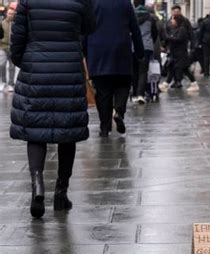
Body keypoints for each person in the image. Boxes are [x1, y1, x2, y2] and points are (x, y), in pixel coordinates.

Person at [10, 0, 96, 219]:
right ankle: (61, 192)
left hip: (36, 68)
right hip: (68, 68)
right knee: (68, 133)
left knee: (35, 132)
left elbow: (17, 38)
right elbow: (90, 27)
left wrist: (27, 62)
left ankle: (38, 184)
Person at [85, 0, 144, 137]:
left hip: (98, 51)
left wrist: (83, 48)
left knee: (102, 92)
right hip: (121, 50)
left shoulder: (92, 3)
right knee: (123, 84)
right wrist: (140, 52)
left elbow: (85, 27)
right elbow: (134, 28)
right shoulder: (125, 3)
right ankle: (118, 111)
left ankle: (104, 127)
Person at [160, 15, 199, 93]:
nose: (171, 21)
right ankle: (165, 84)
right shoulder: (176, 29)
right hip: (175, 54)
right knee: (171, 68)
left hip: (181, 54)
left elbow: (178, 39)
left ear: (177, 21)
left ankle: (194, 84)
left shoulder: (182, 29)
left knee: (185, 70)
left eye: (173, 19)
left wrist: (167, 37)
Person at [0, 2, 17, 92]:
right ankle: (3, 83)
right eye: (9, 13)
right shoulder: (2, 23)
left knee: (12, 67)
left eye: (12, 14)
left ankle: (10, 84)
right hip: (3, 47)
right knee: (2, 65)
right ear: (6, 13)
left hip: (13, 48)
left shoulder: (16, 24)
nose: (10, 15)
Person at [199, 10, 210, 77]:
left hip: (206, 41)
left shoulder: (205, 22)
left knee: (206, 57)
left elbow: (201, 32)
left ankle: (206, 72)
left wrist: (199, 42)